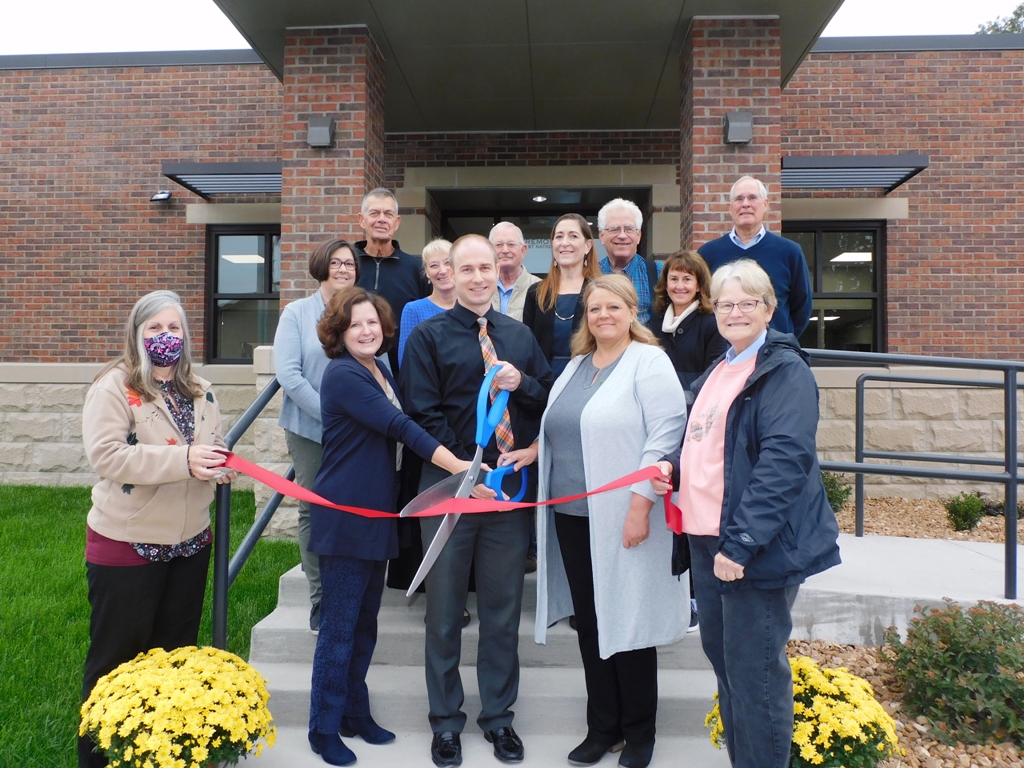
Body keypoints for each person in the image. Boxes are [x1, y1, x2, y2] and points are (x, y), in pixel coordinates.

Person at [650, 259, 841, 768]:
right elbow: (704, 441)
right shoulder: (721, 367)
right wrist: (672, 467)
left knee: (755, 679)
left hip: (750, 549)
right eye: (726, 304)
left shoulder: (783, 371)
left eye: (747, 303)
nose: (735, 312)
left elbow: (784, 462)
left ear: (769, 309)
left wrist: (741, 544)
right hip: (706, 540)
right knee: (728, 671)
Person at [514, 274, 686, 768]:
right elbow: (562, 426)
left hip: (624, 517)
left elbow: (665, 436)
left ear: (632, 312)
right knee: (590, 623)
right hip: (571, 517)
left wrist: (639, 507)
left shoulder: (648, 362)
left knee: (627, 620)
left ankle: (639, 734)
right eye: (594, 309)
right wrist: (532, 451)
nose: (603, 316)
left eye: (613, 307)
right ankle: (603, 726)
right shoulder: (576, 366)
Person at [306, 287, 480, 767]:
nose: (366, 331)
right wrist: (459, 467)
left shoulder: (378, 367)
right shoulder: (343, 374)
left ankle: (354, 713)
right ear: (339, 332)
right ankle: (323, 728)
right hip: (347, 517)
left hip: (377, 515)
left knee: (364, 625)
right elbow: (400, 426)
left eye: (372, 322)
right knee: (339, 630)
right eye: (355, 324)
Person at [401, 234, 553, 767]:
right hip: (449, 491)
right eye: (466, 269)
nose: (477, 277)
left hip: (505, 495)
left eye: (485, 267)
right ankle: (445, 723)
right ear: (447, 273)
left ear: (498, 271)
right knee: (444, 613)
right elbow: (421, 414)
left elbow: (547, 399)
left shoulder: (519, 335)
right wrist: (470, 470)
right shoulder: (428, 336)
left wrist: (523, 381)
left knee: (502, 612)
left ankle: (499, 718)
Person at [79, 290, 236, 768]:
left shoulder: (201, 389)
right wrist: (185, 460)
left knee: (173, 658)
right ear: (136, 333)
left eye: (173, 328)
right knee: (115, 662)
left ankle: (158, 754)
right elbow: (107, 456)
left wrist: (219, 461)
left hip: (190, 544)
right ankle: (98, 758)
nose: (165, 336)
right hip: (128, 543)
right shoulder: (115, 386)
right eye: (154, 328)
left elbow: (213, 441)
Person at [274, 238, 360, 634]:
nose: (343, 270)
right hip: (310, 429)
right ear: (321, 266)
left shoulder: (361, 309)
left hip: (357, 432)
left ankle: (350, 589)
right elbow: (289, 375)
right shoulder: (297, 313)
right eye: (336, 263)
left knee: (352, 508)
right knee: (314, 509)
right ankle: (320, 599)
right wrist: (331, 416)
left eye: (350, 264)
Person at [697, 176, 812, 337]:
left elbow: (802, 308)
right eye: (739, 199)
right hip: (721, 349)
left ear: (765, 204)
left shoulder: (790, 252)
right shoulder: (707, 254)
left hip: (773, 349)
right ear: (730, 208)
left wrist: (782, 340)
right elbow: (701, 306)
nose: (745, 204)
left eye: (752, 197)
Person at [354, 187, 429, 372]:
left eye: (388, 214)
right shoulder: (347, 265)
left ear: (396, 222)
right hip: (353, 367)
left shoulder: (417, 268)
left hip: (405, 370)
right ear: (362, 220)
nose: (381, 219)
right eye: (374, 213)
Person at [523, 213, 600, 379]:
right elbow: (528, 348)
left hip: (589, 379)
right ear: (552, 245)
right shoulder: (536, 293)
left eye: (573, 236)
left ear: (588, 246)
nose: (565, 242)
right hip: (544, 382)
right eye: (559, 236)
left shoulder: (601, 291)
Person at [648, 249, 728, 402]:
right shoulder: (655, 323)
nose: (679, 286)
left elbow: (714, 375)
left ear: (698, 285)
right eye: (674, 279)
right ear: (665, 284)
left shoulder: (712, 324)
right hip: (658, 405)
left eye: (687, 279)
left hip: (697, 406)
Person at [597, 198, 661, 326]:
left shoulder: (660, 273)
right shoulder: (589, 275)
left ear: (639, 235)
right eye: (614, 229)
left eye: (629, 229)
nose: (622, 235)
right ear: (602, 236)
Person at [397, 239, 456, 366]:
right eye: (434, 265)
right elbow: (406, 362)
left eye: (448, 263)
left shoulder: (471, 307)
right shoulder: (413, 310)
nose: (443, 270)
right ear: (427, 272)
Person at [489, 221, 540, 321]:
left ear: (523, 250)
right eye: (498, 245)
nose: (505, 250)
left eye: (511, 244)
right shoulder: (481, 286)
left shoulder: (540, 288)